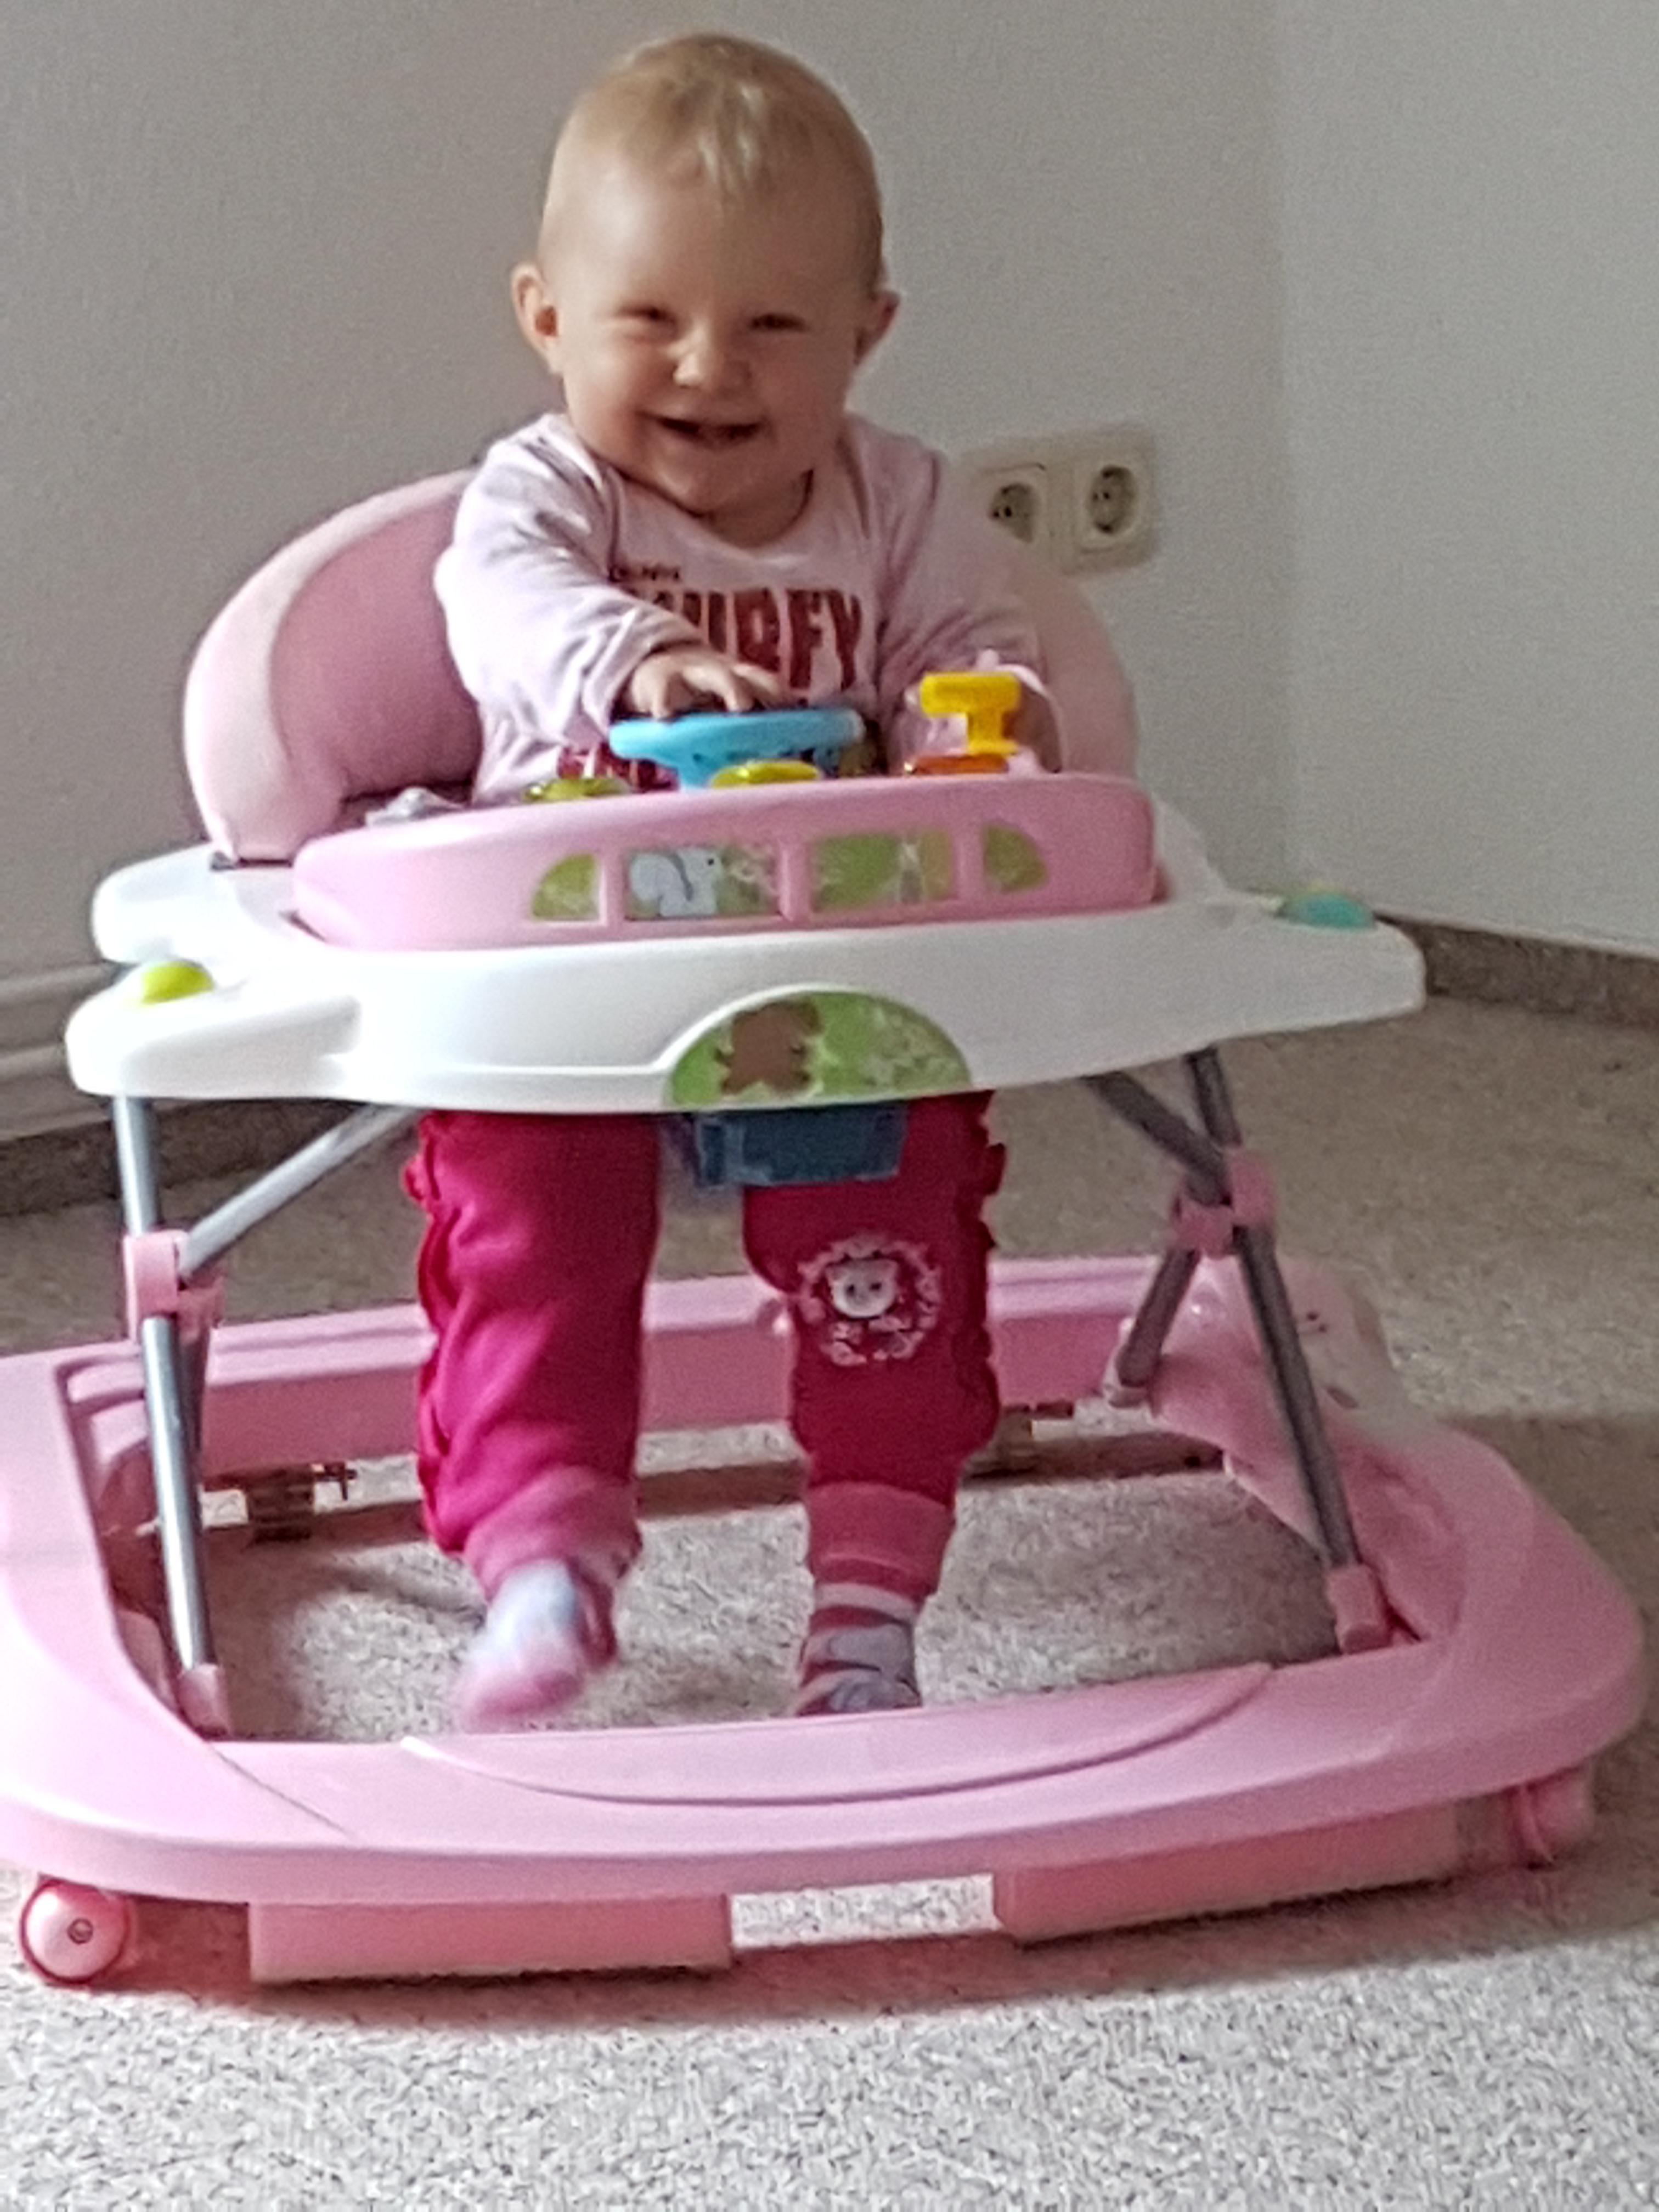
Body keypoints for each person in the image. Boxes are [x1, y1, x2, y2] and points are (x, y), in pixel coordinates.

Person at [424, 31, 1136, 1728]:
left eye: (771, 326)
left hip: (839, 977)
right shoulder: (548, 496)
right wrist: (637, 658)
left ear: (867, 334)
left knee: (893, 1243)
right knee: (522, 1223)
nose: (708, 366)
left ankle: (871, 1604)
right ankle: (542, 1553)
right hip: (575, 990)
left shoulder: (900, 505)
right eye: (650, 317)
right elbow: (500, 599)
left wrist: (983, 724)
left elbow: (975, 648)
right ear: (546, 318)